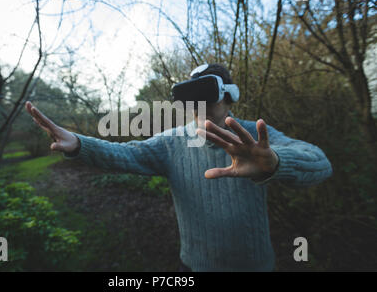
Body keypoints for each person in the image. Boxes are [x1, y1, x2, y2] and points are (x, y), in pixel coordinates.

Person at [25, 63, 333, 272]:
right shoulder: (171, 143)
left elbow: (319, 161)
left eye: (207, 93)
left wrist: (276, 162)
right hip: (194, 266)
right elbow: (126, 154)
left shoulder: (257, 136)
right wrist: (80, 144)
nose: (199, 103)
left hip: (255, 265)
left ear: (228, 96)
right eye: (191, 95)